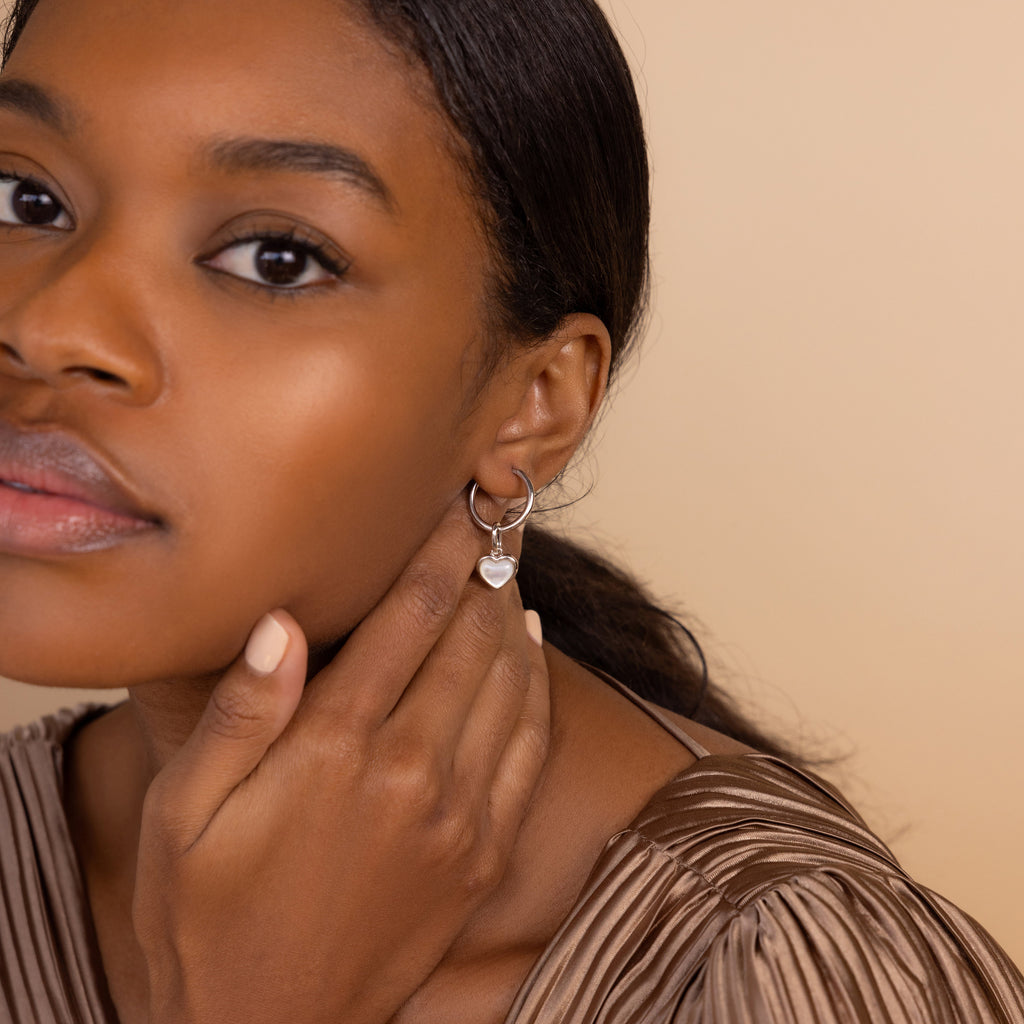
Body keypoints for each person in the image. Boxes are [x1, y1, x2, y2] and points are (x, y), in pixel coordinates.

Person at [1, 0, 1022, 1021]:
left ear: (533, 404)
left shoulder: (790, 974)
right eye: (26, 198)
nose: (47, 328)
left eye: (276, 256)